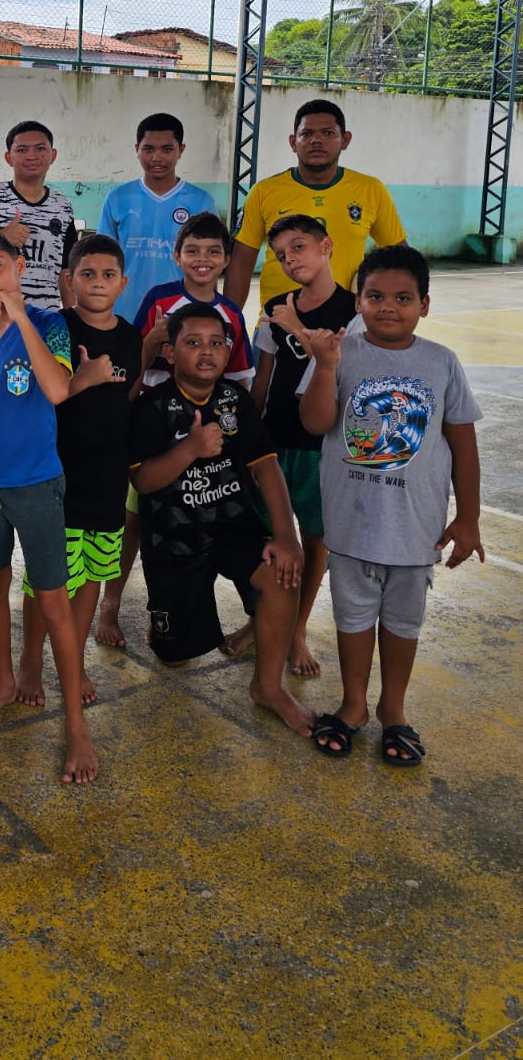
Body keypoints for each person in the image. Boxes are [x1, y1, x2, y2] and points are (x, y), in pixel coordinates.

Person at [298, 245, 483, 765]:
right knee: (353, 617)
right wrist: (325, 366)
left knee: (404, 623)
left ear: (425, 305)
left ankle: (392, 709)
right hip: (351, 524)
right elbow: (315, 422)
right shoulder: (339, 353)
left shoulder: (441, 362)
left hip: (415, 529)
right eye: (375, 296)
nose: (388, 307)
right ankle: (354, 704)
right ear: (358, 301)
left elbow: (463, 446)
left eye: (403, 298)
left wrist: (468, 518)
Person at [0, 229, 98, 785]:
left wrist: (21, 317)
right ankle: (4, 682)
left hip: (35, 485)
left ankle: (76, 724)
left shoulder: (50, 324)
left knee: (53, 601)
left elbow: (57, 389)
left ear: (19, 266)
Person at [128, 302, 314, 738]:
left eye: (216, 342)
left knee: (282, 571)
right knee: (175, 657)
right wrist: (190, 449)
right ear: (170, 353)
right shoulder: (152, 406)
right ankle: (168, 627)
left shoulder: (235, 400)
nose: (206, 351)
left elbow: (265, 465)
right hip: (175, 541)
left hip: (233, 528)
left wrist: (286, 535)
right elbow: (144, 480)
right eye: (193, 342)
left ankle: (268, 687)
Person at [13, 235, 142, 709]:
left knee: (91, 577)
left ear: (123, 283)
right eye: (87, 274)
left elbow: (128, 398)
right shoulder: (57, 328)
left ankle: (74, 660)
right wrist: (82, 380)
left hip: (108, 479)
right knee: (46, 579)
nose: (98, 283)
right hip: (58, 477)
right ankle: (30, 661)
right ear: (68, 280)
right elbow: (42, 394)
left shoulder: (131, 338)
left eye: (108, 275)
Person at [239, 216, 356, 678]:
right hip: (274, 442)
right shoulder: (276, 307)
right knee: (270, 537)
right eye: (282, 255)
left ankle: (298, 628)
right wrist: (250, 439)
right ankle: (262, 620)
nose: (290, 259)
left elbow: (338, 370)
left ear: (327, 246)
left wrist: (297, 329)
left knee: (314, 539)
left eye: (299, 247)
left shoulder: (353, 311)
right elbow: (262, 380)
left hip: (322, 445)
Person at [225, 98, 406, 311]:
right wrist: (229, 321)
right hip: (278, 322)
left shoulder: (371, 189)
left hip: (345, 324)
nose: (316, 140)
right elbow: (241, 263)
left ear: (345, 140)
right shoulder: (264, 191)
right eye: (307, 134)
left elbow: (400, 257)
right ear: (293, 142)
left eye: (328, 133)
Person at [97, 113, 216, 324]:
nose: (157, 157)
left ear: (181, 150)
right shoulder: (117, 198)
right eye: (149, 149)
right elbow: (101, 260)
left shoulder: (201, 201)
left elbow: (210, 266)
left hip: (183, 315)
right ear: (137, 149)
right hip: (123, 314)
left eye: (167, 149)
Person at [0, 121, 76, 311]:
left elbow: (66, 269)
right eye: (22, 150)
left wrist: (71, 317)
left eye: (40, 148)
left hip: (46, 318)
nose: (32, 156)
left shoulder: (63, 206)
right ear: (8, 157)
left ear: (53, 155)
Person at [132, 213, 253, 388]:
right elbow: (132, 363)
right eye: (192, 251)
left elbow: (238, 375)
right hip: (154, 401)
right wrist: (154, 338)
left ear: (226, 260)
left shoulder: (232, 314)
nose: (202, 258)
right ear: (177, 257)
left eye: (213, 251)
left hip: (210, 404)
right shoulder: (158, 299)